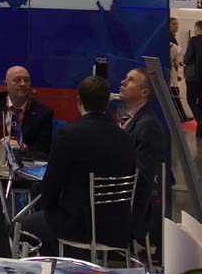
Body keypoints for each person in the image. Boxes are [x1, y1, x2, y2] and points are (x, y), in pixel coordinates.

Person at [21, 76, 136, 255]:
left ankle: (57, 266)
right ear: (107, 103)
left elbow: (51, 187)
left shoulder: (67, 134)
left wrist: (50, 209)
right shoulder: (126, 137)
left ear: (79, 100)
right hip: (117, 228)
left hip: (79, 227)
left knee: (21, 225)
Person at [119, 67, 167, 243]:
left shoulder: (148, 125)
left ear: (144, 92)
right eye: (126, 78)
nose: (123, 82)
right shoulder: (130, 118)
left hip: (128, 210)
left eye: (131, 80)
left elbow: (143, 177)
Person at [0, 65, 53, 158]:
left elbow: (44, 150)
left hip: (23, 161)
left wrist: (22, 148)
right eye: (17, 80)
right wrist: (0, 142)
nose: (23, 84)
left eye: (26, 80)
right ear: (6, 85)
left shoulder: (43, 112)